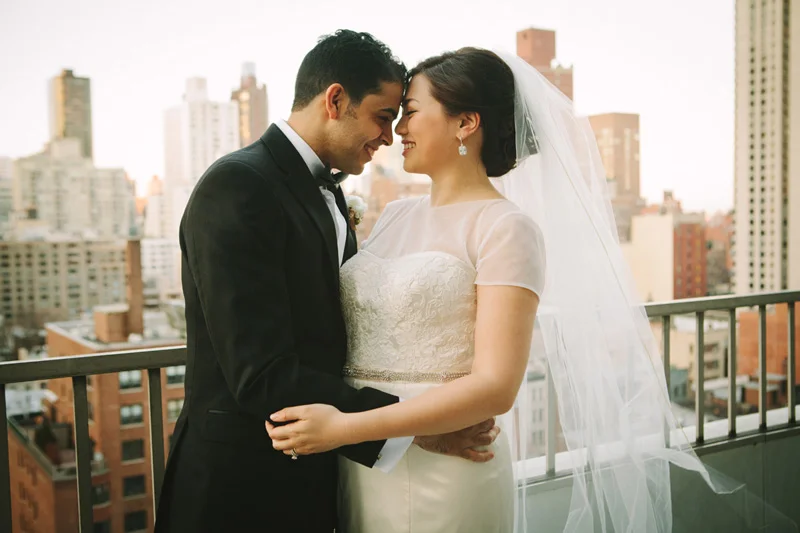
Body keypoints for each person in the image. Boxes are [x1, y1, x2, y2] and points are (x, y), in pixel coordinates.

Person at [267, 47, 795, 533]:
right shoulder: (394, 216)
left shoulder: (505, 227)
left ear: (466, 123)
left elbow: (497, 385)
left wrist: (349, 427)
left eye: (410, 110)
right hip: (361, 465)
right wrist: (351, 432)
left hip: (442, 474)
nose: (396, 129)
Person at [154, 31, 498, 533]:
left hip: (322, 475)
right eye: (383, 116)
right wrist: (414, 429)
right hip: (240, 486)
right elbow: (261, 373)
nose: (389, 136)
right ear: (335, 100)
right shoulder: (238, 185)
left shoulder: (332, 193)